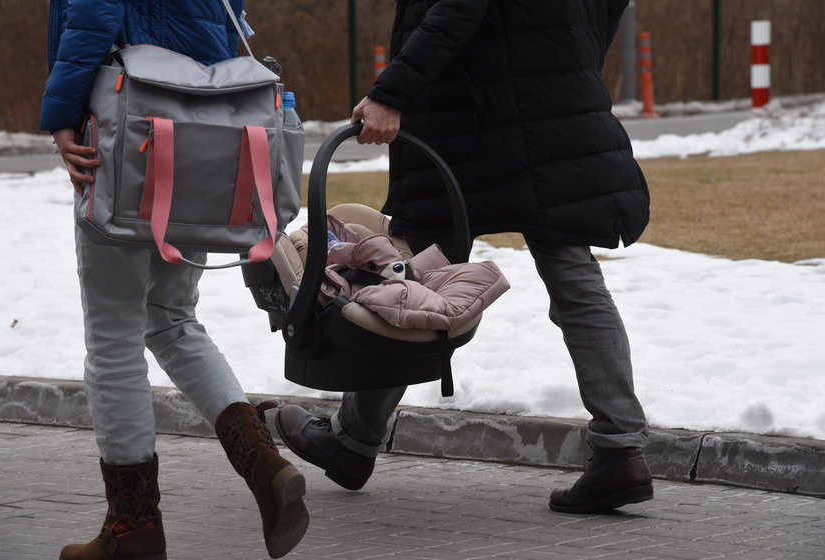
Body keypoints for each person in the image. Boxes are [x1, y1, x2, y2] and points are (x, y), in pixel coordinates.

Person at [275, 0, 654, 514]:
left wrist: (391, 93)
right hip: (553, 116)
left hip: (467, 127)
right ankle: (621, 450)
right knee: (575, 281)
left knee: (412, 281)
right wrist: (562, 68)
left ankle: (352, 442)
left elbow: (456, 11)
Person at [40, 1, 308, 558]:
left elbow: (93, 13)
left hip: (123, 132)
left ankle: (132, 527)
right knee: (172, 319)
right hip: (200, 140)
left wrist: (61, 112)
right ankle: (264, 466)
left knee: (114, 339)